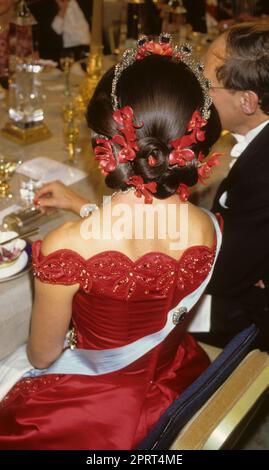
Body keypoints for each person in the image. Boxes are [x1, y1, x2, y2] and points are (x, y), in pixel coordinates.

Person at [0, 35, 222, 450]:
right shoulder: (208, 227)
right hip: (175, 379)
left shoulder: (67, 248)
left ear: (105, 144)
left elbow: (43, 357)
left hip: (94, 413)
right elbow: (145, 232)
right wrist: (83, 207)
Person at [192, 22, 269, 351]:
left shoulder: (261, 175)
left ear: (247, 102)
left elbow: (223, 275)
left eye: (206, 84)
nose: (199, 93)